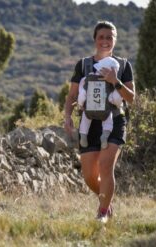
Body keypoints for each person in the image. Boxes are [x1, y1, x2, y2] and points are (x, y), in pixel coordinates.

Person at [64, 21, 135, 223]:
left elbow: (131, 98)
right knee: (88, 176)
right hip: (89, 122)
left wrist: (116, 81)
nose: (105, 41)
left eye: (109, 37)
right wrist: (67, 117)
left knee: (105, 166)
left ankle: (102, 214)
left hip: (114, 120)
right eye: (101, 37)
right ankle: (107, 203)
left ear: (115, 40)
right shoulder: (84, 65)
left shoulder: (123, 65)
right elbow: (72, 96)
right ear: (95, 39)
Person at [78, 56, 123, 149]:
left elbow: (82, 94)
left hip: (89, 110)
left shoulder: (88, 79)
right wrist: (118, 105)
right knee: (108, 121)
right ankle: (105, 136)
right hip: (104, 111)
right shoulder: (111, 84)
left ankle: (83, 135)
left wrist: (80, 105)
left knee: (85, 120)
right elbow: (116, 98)